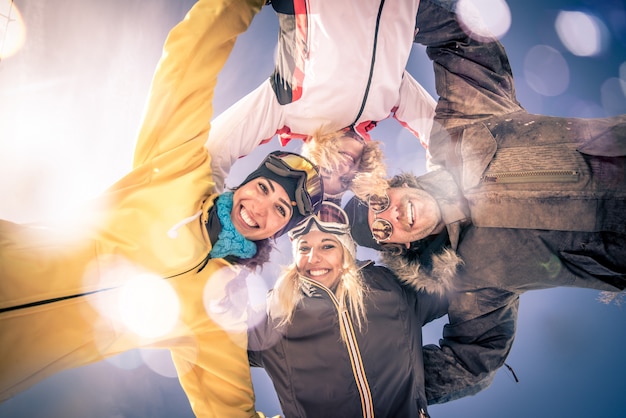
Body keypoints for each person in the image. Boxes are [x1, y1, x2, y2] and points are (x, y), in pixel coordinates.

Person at [0, 0, 324, 416]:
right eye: (262, 187)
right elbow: (185, 63)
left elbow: (228, 410)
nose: (261, 208)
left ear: (277, 233)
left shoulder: (219, 308)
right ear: (243, 181)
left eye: (280, 211)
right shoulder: (179, 172)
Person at [344, 0, 626, 405]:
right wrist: (367, 387)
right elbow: (469, 364)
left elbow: (461, 36)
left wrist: (377, 8)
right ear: (400, 247)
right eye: (382, 230)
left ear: (392, 184)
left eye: (378, 203)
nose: (391, 215)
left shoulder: (463, 127)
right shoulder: (472, 284)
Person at [205, 0, 437, 200]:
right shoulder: (383, 107)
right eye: (346, 180)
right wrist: (438, 202)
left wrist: (207, 226)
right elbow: (443, 133)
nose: (343, 169)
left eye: (326, 171)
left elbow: (214, 150)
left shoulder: (290, 108)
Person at [246, 201, 447, 417]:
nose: (313, 258)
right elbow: (212, 345)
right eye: (304, 248)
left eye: (327, 246)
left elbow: (454, 282)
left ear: (347, 251)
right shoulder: (274, 315)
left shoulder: (390, 287)